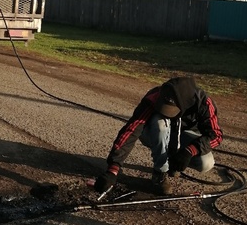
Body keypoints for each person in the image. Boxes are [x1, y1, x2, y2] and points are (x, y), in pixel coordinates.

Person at [94, 76, 223, 196]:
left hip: (183, 137)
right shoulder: (156, 96)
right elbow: (131, 129)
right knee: (160, 123)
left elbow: (216, 135)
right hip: (153, 133)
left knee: (206, 163)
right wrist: (113, 168)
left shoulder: (204, 103)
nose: (167, 111)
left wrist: (189, 151)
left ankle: (173, 162)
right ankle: (160, 173)